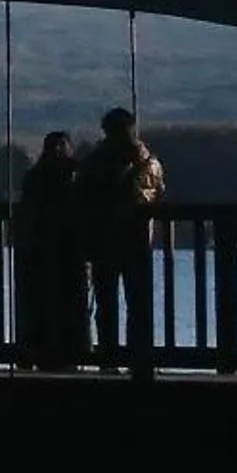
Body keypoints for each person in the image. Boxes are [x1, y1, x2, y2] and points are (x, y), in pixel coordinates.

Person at [78, 107, 166, 373]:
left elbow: (82, 195)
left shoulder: (98, 160)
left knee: (107, 304)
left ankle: (109, 358)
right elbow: (160, 193)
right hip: (138, 241)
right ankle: (140, 358)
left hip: (105, 240)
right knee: (138, 304)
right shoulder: (150, 162)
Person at [17, 132, 84, 370]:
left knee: (39, 302)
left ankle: (37, 350)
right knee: (67, 303)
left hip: (38, 249)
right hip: (68, 250)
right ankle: (68, 352)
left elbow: (28, 210)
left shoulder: (35, 176)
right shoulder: (76, 175)